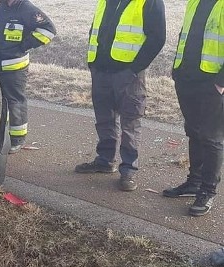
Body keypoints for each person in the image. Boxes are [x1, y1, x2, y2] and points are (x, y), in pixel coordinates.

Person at [74, 0, 166, 192]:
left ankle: (128, 169)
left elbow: (157, 38)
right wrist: (94, 63)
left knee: (130, 122)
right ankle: (105, 160)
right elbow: (96, 30)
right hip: (101, 70)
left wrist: (134, 68)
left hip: (128, 73)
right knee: (104, 119)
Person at [164, 0, 224, 217]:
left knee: (212, 138)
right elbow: (185, 35)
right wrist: (176, 70)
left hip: (212, 83)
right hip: (187, 78)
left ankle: (207, 191)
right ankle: (194, 183)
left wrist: (221, 82)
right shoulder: (194, 2)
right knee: (194, 132)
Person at [0, 0, 55, 153]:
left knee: (14, 102)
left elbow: (48, 30)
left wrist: (23, 46)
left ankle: (16, 140)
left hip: (15, 66)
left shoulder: (26, 8)